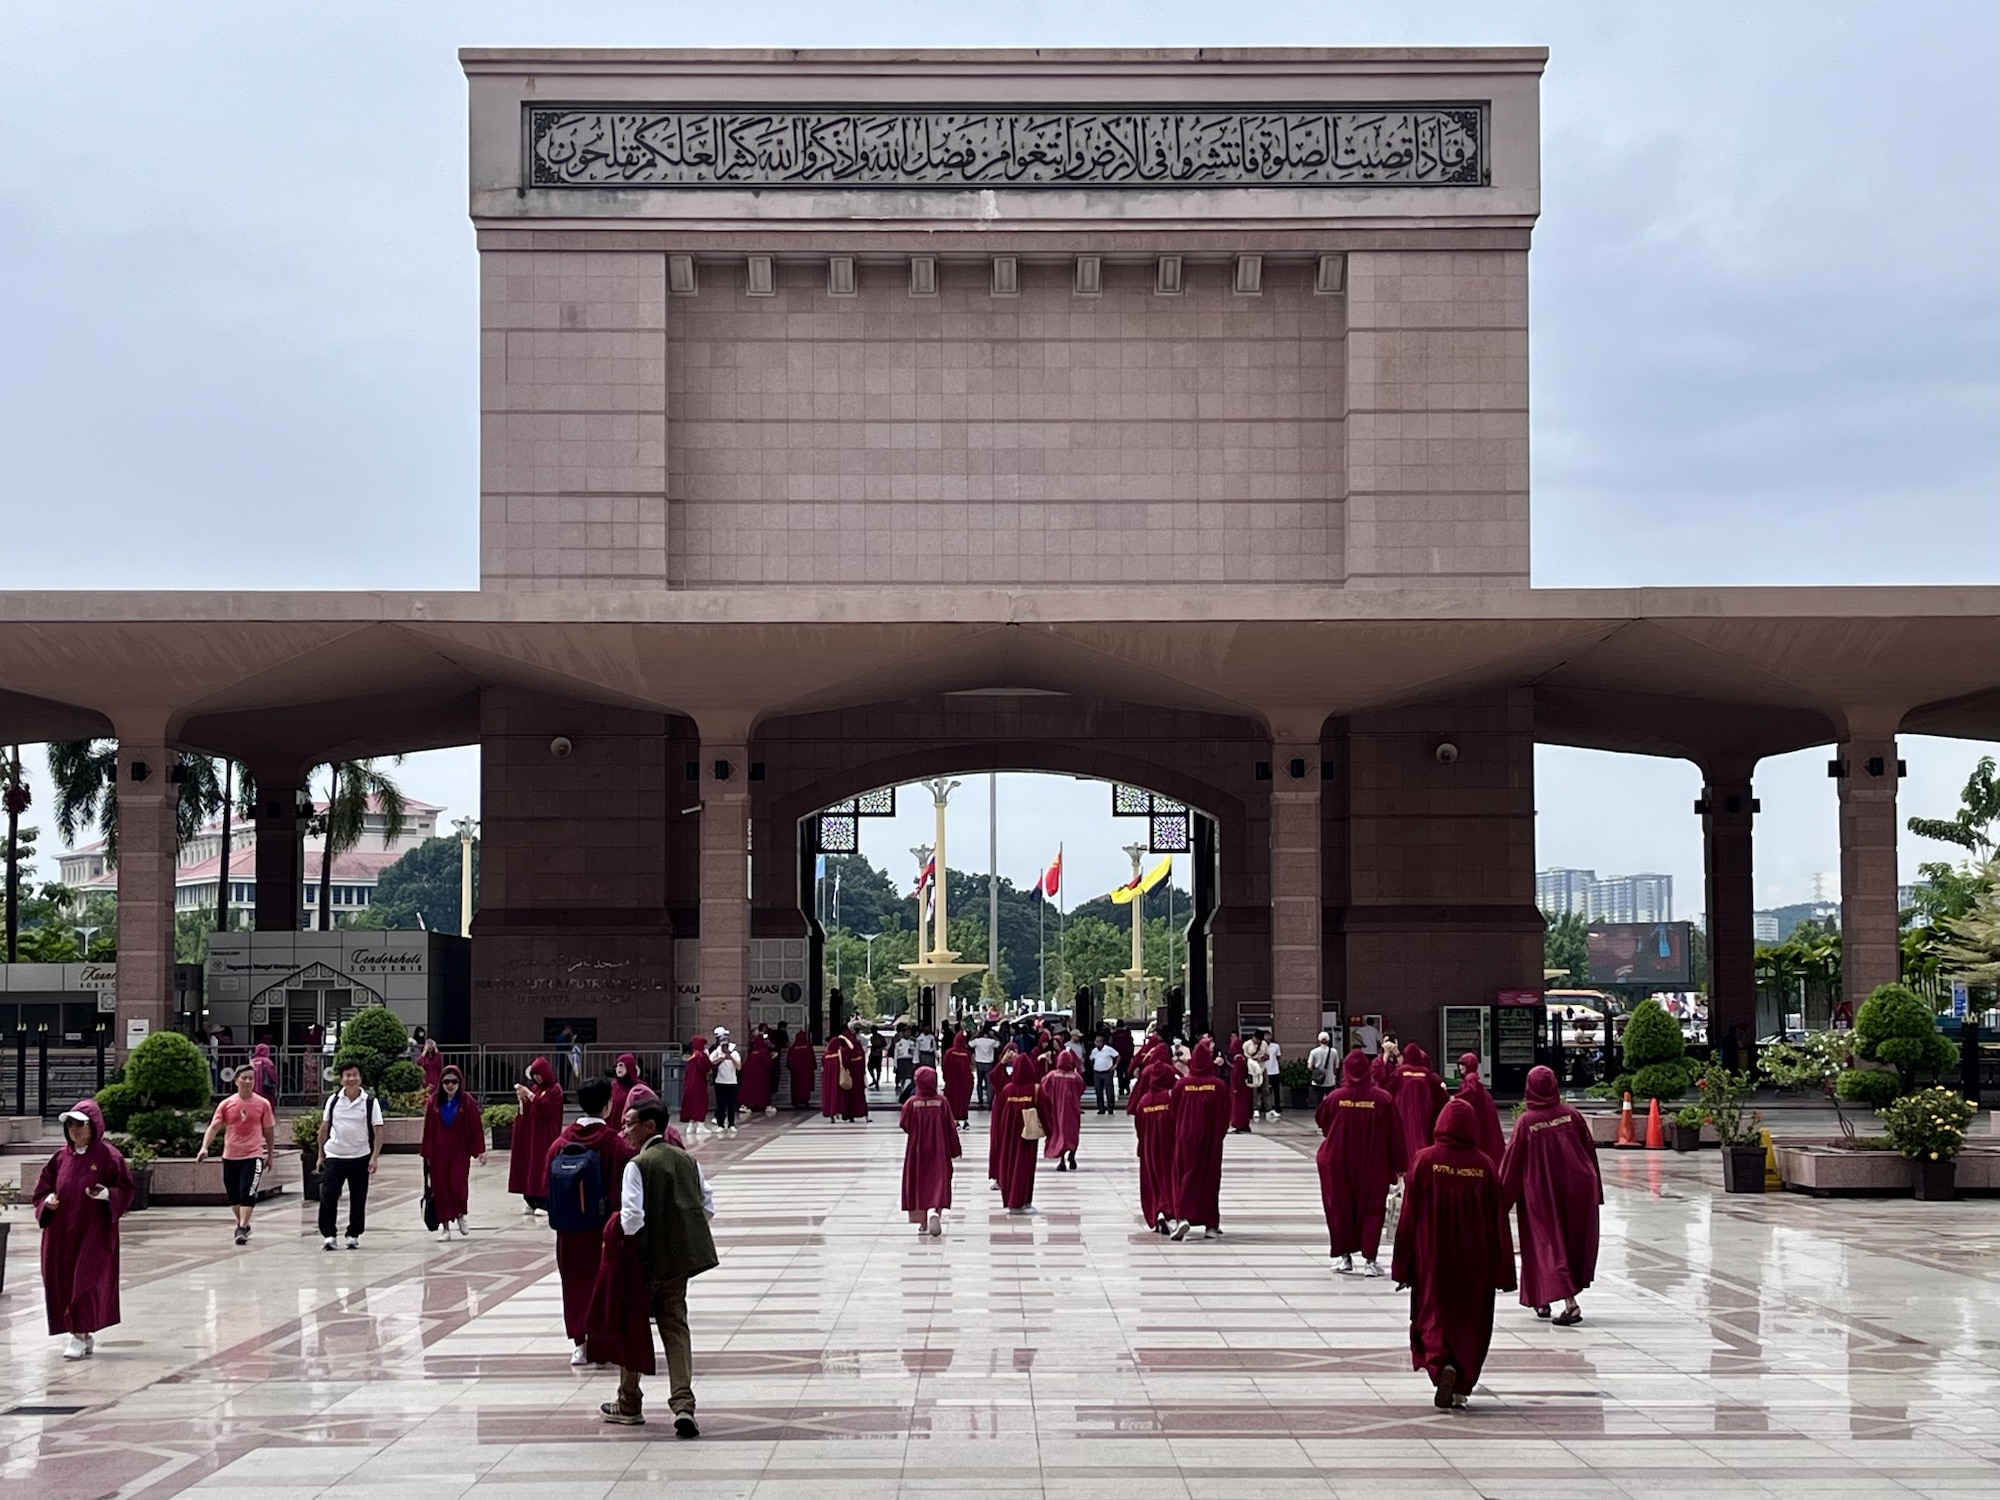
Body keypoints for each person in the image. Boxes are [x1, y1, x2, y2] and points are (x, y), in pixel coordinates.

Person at [598, 1100, 717, 1435]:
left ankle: (629, 1401)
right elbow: (707, 1205)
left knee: (632, 1326)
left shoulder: (637, 1165)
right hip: (677, 1263)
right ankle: (683, 1404)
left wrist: (623, 1234)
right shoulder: (687, 1160)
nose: (624, 1130)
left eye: (629, 1124)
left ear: (649, 1126)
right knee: (676, 1327)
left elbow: (632, 1218)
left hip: (643, 1263)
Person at [1391, 1097, 1516, 1410]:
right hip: (1476, 1261)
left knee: (1432, 1315)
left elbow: (1408, 1217)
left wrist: (1403, 1264)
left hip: (1432, 1255)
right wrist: (1504, 1271)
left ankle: (1440, 1365)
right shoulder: (1485, 1166)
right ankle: (1462, 1385)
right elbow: (1499, 1221)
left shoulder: (1424, 1161)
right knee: (1472, 1322)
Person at [1499, 1065, 1603, 1326]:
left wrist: (1498, 1203)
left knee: (1547, 1245)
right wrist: (1596, 1191)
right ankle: (1541, 1299)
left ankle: (1570, 1303)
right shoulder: (1571, 1115)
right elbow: (1589, 1151)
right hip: (1578, 1187)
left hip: (1541, 1191)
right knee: (1567, 1242)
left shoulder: (1527, 1122)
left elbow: (1512, 1164)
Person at [548, 1077, 635, 1367]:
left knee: (574, 1286)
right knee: (605, 1285)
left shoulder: (561, 1143)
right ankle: (603, 1345)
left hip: (568, 1231)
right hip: (604, 1230)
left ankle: (580, 1345)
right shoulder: (615, 1144)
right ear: (609, 1105)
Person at [36, 1100, 133, 1360]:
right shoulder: (60, 1158)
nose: (74, 1130)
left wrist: (107, 1195)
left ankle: (78, 1334)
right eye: (70, 1125)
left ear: (93, 1126)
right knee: (62, 1280)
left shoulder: (109, 1157)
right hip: (61, 1233)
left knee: (86, 1281)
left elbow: (125, 1188)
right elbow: (43, 1189)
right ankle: (82, 1331)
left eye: (80, 1124)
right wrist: (47, 1202)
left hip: (93, 1232)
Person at [1315, 1050, 1406, 1276]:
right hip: (1373, 1161)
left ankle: (1344, 1257)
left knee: (1340, 1207)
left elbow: (1323, 1123)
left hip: (1338, 1162)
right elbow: (1395, 1133)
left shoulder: (1335, 1098)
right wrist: (1399, 1166)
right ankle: (1370, 1261)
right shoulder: (1383, 1099)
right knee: (1372, 1207)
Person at [195, 1062, 276, 1245]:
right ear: (236, 1080)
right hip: (231, 1155)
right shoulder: (227, 1104)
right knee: (233, 1195)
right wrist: (204, 1147)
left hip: (253, 1154)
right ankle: (243, 1224)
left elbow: (269, 1130)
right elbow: (214, 1127)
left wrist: (269, 1155)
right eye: (244, 1078)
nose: (247, 1082)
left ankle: (242, 1227)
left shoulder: (262, 1104)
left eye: (251, 1079)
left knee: (248, 1191)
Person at [316, 1062, 383, 1250]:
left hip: (360, 1156)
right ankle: (329, 1235)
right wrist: (321, 1155)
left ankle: (353, 1234)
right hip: (335, 1155)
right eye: (347, 1075)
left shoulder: (370, 1102)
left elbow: (378, 1130)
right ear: (341, 1079)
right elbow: (324, 1128)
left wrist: (374, 1157)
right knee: (328, 1196)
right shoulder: (333, 1100)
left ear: (360, 1078)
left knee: (358, 1198)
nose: (351, 1079)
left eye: (355, 1075)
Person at [1167, 1039, 1230, 1240]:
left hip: (1185, 1138)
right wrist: (1218, 1135)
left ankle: (1182, 1217)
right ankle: (1210, 1225)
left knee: (1184, 1176)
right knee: (1209, 1179)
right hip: (1211, 1140)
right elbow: (1225, 1115)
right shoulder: (1218, 1086)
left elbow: (1173, 1112)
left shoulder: (1182, 1085)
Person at [420, 1064, 486, 1240]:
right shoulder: (434, 1102)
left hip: (459, 1152)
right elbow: (428, 1129)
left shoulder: (467, 1102)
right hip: (439, 1153)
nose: (450, 1085)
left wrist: (480, 1150)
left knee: (457, 1186)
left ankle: (460, 1214)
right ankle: (445, 1228)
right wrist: (427, 1153)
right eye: (446, 1082)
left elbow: (475, 1127)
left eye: (454, 1082)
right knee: (441, 1189)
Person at [899, 1065, 960, 1237]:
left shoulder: (911, 1103)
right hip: (939, 1149)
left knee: (919, 1182)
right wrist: (955, 1149)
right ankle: (936, 1211)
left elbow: (904, 1124)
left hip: (917, 1151)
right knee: (939, 1180)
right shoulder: (942, 1102)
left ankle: (923, 1223)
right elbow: (950, 1127)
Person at [509, 1057, 564, 1215]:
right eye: (535, 1075)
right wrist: (523, 1099)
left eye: (539, 1074)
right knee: (530, 1164)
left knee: (541, 1165)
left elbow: (545, 1108)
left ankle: (544, 1201)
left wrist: (530, 1095)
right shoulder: (536, 1088)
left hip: (546, 1135)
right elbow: (530, 1109)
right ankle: (530, 1199)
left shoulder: (555, 1090)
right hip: (533, 1134)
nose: (538, 1078)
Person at [993, 1053, 1042, 1213]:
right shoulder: (1035, 1090)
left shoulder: (1007, 1090)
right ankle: (1022, 1202)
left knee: (1008, 1165)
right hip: (1027, 1136)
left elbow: (998, 1112)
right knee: (1025, 1167)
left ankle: (1010, 1201)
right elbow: (1046, 1110)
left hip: (1008, 1136)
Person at [1131, 1062, 1177, 1233]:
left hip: (1148, 1148)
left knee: (1151, 1181)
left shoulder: (1143, 1102)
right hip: (1169, 1147)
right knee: (1168, 1180)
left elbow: (1139, 1126)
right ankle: (1166, 1210)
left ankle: (1155, 1213)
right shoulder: (1170, 1098)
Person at [1387, 1042, 1448, 1159]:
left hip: (1402, 1113)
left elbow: (1388, 1089)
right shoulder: (1426, 1073)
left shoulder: (1400, 1072)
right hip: (1423, 1115)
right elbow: (1441, 1096)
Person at [1453, 1052, 1505, 1165]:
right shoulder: (1474, 1078)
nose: (1460, 1067)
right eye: (1460, 1064)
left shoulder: (1470, 1079)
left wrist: (1454, 1099)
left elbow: (1468, 1094)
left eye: (1463, 1064)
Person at [1039, 1049, 1084, 1172]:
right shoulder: (1076, 1077)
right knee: (1072, 1133)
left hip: (1055, 1111)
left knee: (1058, 1134)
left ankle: (1062, 1161)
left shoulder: (1051, 1076)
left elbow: (1043, 1090)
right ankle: (1072, 1154)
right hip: (1072, 1111)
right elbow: (1081, 1089)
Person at [679, 1036, 712, 1140]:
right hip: (698, 1085)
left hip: (689, 1085)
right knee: (700, 1103)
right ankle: (700, 1126)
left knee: (691, 1105)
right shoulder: (701, 1055)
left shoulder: (692, 1055)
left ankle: (691, 1125)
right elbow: (706, 1067)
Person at [709, 1030, 742, 1135]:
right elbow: (710, 1063)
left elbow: (739, 1066)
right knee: (720, 1104)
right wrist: (720, 1059)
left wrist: (730, 1057)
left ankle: (731, 1124)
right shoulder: (716, 1052)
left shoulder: (734, 1053)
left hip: (732, 1082)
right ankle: (720, 1124)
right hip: (720, 1082)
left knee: (731, 1104)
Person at [835, 1027, 871, 1120]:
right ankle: (861, 1113)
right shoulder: (858, 1046)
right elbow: (863, 1058)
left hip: (850, 1074)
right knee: (859, 1094)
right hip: (858, 1073)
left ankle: (849, 1114)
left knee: (849, 1095)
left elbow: (844, 1062)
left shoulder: (845, 1049)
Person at [940, 1031, 974, 1127]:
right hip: (964, 1081)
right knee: (963, 1099)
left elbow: (945, 1066)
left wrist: (946, 1078)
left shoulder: (949, 1052)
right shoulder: (967, 1054)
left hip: (952, 1081)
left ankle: (953, 1119)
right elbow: (970, 1067)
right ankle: (964, 1118)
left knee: (952, 1099)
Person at [739, 1031, 773, 1117]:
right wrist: (772, 1058)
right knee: (762, 1090)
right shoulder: (764, 1051)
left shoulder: (753, 1052)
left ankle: (748, 1104)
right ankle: (765, 1105)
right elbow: (767, 1064)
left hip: (750, 1076)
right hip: (762, 1076)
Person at [1226, 1035, 1254, 1134]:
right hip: (1243, 1087)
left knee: (1238, 1107)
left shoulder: (1238, 1059)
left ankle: (1239, 1124)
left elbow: (1237, 1074)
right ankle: (1243, 1124)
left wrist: (1235, 1087)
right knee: (1243, 1106)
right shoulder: (1242, 1058)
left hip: (1239, 1088)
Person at [968, 1028, 1000, 1108]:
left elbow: (969, 1044)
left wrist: (974, 1035)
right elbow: (999, 1043)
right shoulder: (992, 1041)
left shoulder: (977, 1041)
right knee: (988, 1082)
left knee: (979, 1082)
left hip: (979, 1063)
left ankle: (980, 1100)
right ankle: (989, 1100)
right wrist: (993, 1036)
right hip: (989, 1063)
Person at [1088, 1034, 1119, 1115]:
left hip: (1107, 1072)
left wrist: (1115, 1065)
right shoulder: (1094, 1051)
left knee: (1109, 1090)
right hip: (1097, 1072)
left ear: (1102, 1042)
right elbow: (1091, 1059)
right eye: (1096, 1041)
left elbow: (1118, 1056)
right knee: (1098, 1091)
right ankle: (1101, 1108)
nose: (1097, 1043)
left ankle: (1110, 1107)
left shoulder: (1108, 1049)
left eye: (1099, 1042)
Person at [609, 1052, 642, 1126]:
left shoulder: (640, 1086)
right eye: (616, 1066)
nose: (618, 1068)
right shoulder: (612, 1085)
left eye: (621, 1065)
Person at [1307, 1031, 1338, 1109]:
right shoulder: (1334, 1051)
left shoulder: (1313, 1052)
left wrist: (1316, 1069)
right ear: (1328, 1040)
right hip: (1330, 1081)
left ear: (1319, 1040)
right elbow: (1336, 1066)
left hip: (1317, 1081)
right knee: (1330, 1101)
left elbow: (1310, 1066)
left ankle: (1320, 1113)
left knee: (1319, 1101)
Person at [787, 1029, 816, 1110]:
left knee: (796, 1087)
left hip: (796, 1073)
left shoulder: (793, 1048)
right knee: (805, 1087)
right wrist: (813, 1068)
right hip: (807, 1072)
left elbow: (789, 1061)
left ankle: (796, 1102)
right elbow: (812, 1059)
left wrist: (793, 1069)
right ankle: (805, 1102)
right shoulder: (808, 1047)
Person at [249, 1041, 280, 1106]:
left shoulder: (252, 1061)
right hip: (265, 1087)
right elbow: (272, 1074)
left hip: (254, 1087)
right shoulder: (268, 1061)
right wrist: (276, 1081)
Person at [1260, 1033, 1283, 1119]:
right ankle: (1264, 1106)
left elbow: (1278, 1057)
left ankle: (1277, 1106)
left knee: (1276, 1090)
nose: (1268, 1038)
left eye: (1269, 1036)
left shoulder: (1275, 1046)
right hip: (1265, 1070)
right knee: (1265, 1090)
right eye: (1266, 1036)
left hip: (1274, 1071)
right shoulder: (1261, 1046)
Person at [892, 1025, 918, 1093]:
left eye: (909, 1032)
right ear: (903, 1033)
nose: (908, 1033)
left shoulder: (912, 1043)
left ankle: (905, 1091)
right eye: (907, 1032)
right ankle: (903, 1090)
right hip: (901, 1061)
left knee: (908, 1078)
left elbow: (915, 1053)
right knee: (902, 1079)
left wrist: (915, 1062)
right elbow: (896, 1055)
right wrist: (895, 1065)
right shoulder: (898, 1043)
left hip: (909, 1061)